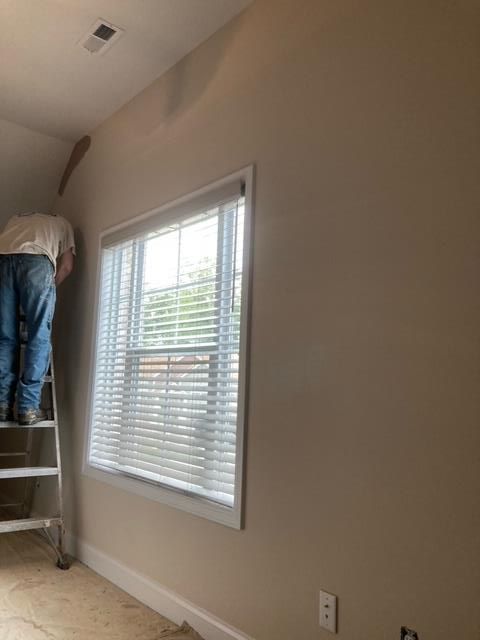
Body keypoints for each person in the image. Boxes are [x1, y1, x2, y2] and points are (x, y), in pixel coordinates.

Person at [0, 212, 75, 425]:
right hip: (36, 260)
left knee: (5, 337)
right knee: (39, 334)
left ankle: (2, 405)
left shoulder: (15, 219)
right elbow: (66, 266)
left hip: (2, 260)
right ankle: (28, 407)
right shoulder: (64, 223)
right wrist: (49, 288)